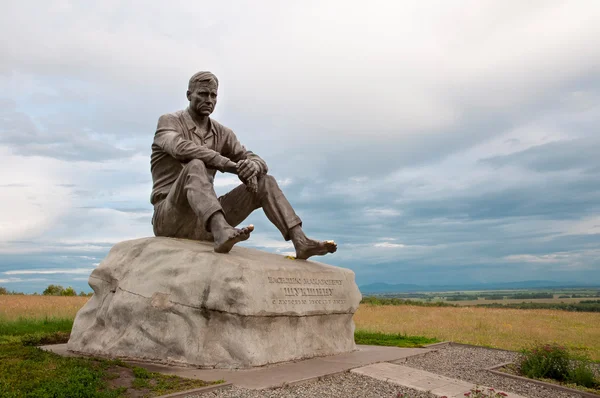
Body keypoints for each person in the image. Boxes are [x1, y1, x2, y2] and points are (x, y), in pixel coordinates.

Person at [150, 71, 337, 259]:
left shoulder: (222, 133)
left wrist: (252, 167)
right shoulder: (169, 121)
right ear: (189, 95)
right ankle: (221, 230)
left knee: (265, 181)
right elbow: (181, 148)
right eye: (203, 94)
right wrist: (231, 166)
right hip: (170, 218)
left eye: (213, 95)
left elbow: (253, 158)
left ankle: (300, 241)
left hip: (203, 221)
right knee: (195, 164)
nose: (209, 100)